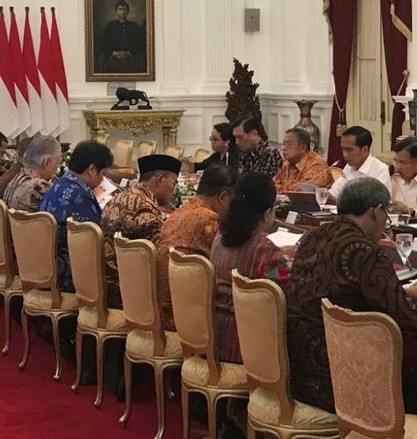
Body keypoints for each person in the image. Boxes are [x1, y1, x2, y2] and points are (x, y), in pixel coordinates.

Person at [286, 176, 417, 413]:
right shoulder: (365, 250)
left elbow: (341, 289)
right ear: (376, 211)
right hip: (342, 377)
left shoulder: (314, 236)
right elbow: (406, 316)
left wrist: (405, 291)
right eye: (386, 215)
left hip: (301, 367)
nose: (385, 223)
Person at [211, 172, 291, 364]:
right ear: (267, 213)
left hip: (214, 337)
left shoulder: (219, 239)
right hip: (247, 348)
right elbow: (283, 297)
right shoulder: (265, 250)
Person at [158, 163, 237, 330]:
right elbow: (227, 263)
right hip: (186, 318)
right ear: (223, 197)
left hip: (164, 307)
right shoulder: (209, 219)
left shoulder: (179, 211)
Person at [100, 154, 180, 309]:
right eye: (173, 183)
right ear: (159, 179)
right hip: (130, 297)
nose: (174, 190)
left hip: (107, 287)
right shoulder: (144, 207)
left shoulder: (118, 197)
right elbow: (160, 257)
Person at [40, 140, 113, 293]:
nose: (103, 180)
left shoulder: (58, 184)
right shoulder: (80, 196)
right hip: (68, 271)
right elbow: (93, 239)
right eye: (103, 174)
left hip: (48, 262)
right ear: (92, 169)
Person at [328, 125, 391, 203]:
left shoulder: (380, 169)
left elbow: (373, 204)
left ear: (365, 149)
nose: (345, 155)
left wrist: (340, 202)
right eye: (343, 149)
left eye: (349, 150)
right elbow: (334, 193)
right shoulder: (349, 167)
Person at [3, 135, 61, 212]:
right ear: (46, 162)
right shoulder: (38, 187)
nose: (58, 167)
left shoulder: (15, 179)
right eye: (58, 162)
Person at [273, 127, 332, 192]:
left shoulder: (318, 166)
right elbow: (273, 185)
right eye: (283, 144)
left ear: (303, 148)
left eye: (289, 144)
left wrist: (281, 189)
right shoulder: (287, 163)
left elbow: (301, 191)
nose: (284, 148)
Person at [97, 0, 145, 74]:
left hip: (130, 60)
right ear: (116, 11)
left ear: (128, 12)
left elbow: (140, 44)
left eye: (124, 10)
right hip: (113, 59)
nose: (122, 12)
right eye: (120, 9)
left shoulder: (134, 26)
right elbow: (104, 44)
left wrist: (130, 53)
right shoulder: (110, 26)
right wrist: (113, 53)